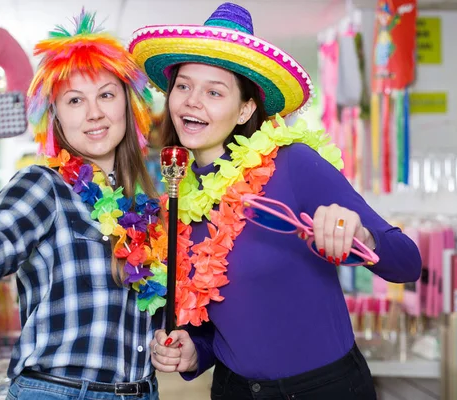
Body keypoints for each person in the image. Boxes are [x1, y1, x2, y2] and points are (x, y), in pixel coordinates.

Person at [129, 3, 422, 399]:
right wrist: (194, 351)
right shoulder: (179, 195)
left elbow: (408, 262)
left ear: (245, 108)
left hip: (324, 389)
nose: (192, 101)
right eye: (184, 86)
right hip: (234, 391)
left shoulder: (294, 164)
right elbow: (220, 319)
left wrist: (362, 237)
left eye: (214, 91)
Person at [0, 10, 167, 399]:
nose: (94, 112)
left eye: (106, 94)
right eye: (74, 100)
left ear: (128, 104)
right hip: (60, 392)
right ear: (55, 116)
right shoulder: (43, 186)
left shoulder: (146, 205)